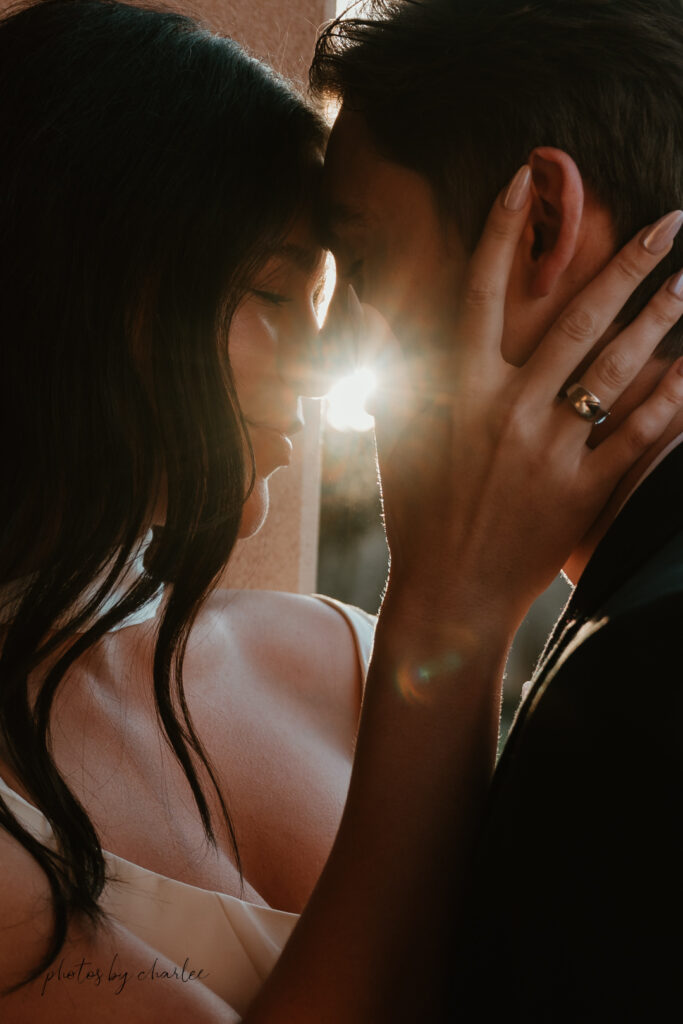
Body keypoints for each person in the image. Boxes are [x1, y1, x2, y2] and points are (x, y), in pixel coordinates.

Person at [0, 3, 681, 1024]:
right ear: (92, 294)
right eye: (280, 295)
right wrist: (447, 604)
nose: (325, 371)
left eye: (349, 281)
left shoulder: (352, 655)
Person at [310, 0, 683, 1018]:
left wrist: (443, 606)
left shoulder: (643, 684)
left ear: (539, 228)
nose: (343, 346)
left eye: (365, 259)